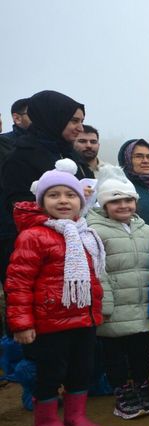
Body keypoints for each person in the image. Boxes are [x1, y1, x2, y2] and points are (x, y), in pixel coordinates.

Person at [5, 159, 105, 426]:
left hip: (84, 319)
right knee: (50, 372)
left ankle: (76, 416)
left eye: (70, 195)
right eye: (54, 195)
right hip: (49, 323)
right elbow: (19, 282)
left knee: (80, 369)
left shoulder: (86, 234)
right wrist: (22, 323)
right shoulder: (34, 236)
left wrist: (97, 312)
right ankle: (46, 422)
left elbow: (95, 279)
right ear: (41, 201)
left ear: (80, 200)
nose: (63, 201)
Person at [88, 166, 149, 419]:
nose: (123, 205)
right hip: (114, 309)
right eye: (115, 201)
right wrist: (105, 305)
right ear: (104, 204)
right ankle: (123, 394)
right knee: (115, 356)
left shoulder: (148, 232)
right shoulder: (94, 231)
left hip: (141, 306)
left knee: (141, 353)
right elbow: (97, 272)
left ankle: (143, 388)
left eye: (128, 200)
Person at [0, 90, 89, 282]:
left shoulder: (71, 155)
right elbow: (18, 207)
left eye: (81, 121)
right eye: (74, 121)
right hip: (35, 256)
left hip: (76, 250)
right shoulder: (20, 158)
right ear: (52, 118)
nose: (80, 128)